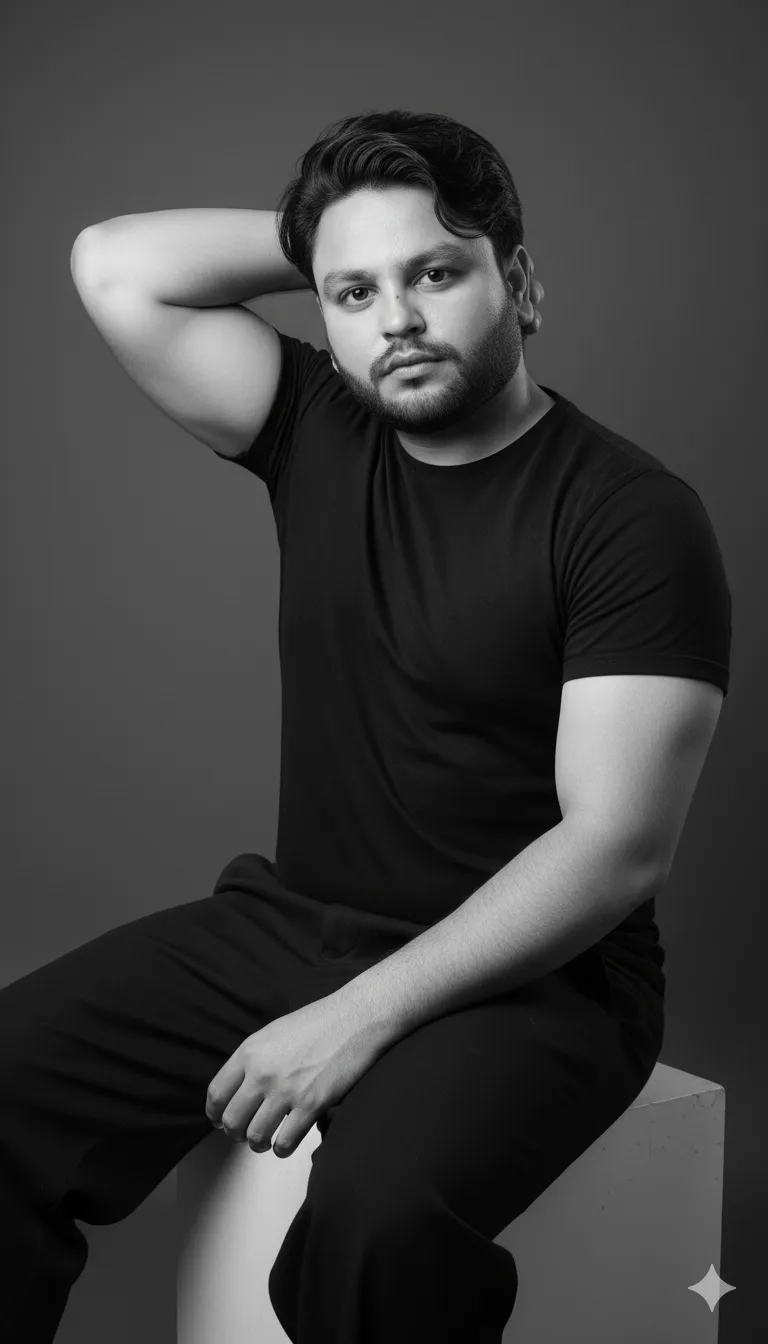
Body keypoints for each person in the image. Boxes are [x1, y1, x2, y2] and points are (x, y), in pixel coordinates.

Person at [2, 109, 731, 1342]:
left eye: (437, 274)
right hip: (297, 921)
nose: (394, 319)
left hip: (541, 984)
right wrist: (345, 239)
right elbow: (112, 263)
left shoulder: (632, 516)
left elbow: (617, 847)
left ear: (523, 283)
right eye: (352, 294)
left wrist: (354, 1019)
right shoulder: (318, 431)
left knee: (374, 1223)